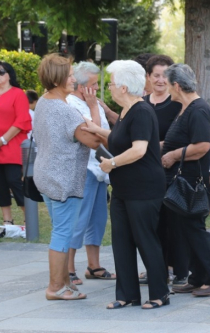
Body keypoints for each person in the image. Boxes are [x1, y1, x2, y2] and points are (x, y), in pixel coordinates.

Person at [82, 60, 170, 309]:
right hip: (123, 189)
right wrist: (97, 129)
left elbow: (139, 149)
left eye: (110, 84)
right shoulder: (125, 111)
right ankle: (127, 295)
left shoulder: (141, 111)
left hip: (143, 189)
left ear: (123, 87)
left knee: (146, 240)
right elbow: (121, 138)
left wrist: (112, 164)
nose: (108, 87)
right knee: (121, 242)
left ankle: (159, 294)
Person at [34, 54, 101, 300]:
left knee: (58, 230)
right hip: (63, 179)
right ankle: (56, 287)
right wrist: (94, 108)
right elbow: (94, 140)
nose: (74, 79)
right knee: (62, 233)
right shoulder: (65, 111)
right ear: (58, 78)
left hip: (46, 175)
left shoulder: (43, 101)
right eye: (70, 75)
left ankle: (63, 283)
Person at [162, 63, 210, 297]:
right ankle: (198, 276)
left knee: (194, 228)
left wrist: (173, 155)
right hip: (184, 181)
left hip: (195, 181)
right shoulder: (185, 109)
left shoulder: (198, 110)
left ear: (177, 86)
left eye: (169, 85)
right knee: (185, 229)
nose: (167, 90)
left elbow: (202, 146)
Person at [66, 62, 115, 285]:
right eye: (93, 85)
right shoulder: (71, 104)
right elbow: (94, 136)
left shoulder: (91, 101)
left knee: (97, 218)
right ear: (80, 86)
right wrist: (95, 108)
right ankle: (68, 268)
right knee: (79, 219)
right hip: (82, 169)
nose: (96, 89)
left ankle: (94, 265)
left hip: (99, 169)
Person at [141, 54, 183, 287]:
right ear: (148, 77)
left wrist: (148, 147)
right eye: (155, 75)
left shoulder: (177, 105)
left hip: (170, 172)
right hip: (145, 173)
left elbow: (177, 139)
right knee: (150, 223)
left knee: (171, 223)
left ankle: (174, 267)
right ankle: (154, 267)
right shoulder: (141, 104)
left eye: (165, 75)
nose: (160, 80)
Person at [0, 62, 31, 226]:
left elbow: (21, 121)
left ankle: (29, 218)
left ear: (9, 75)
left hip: (12, 144)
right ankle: (7, 221)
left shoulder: (18, 94)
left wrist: (3, 139)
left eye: (1, 71)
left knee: (14, 180)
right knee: (0, 184)